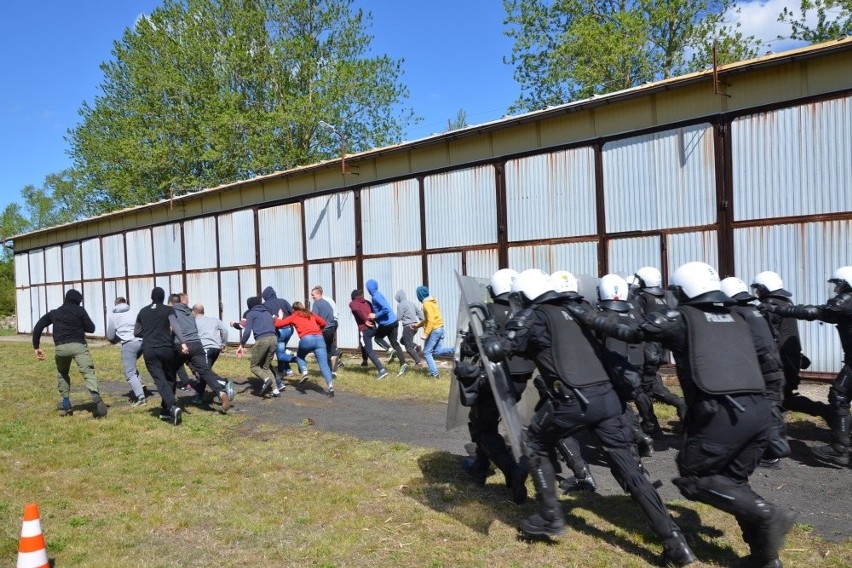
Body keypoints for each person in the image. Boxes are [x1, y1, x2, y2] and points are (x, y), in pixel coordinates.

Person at [573, 262, 796, 567]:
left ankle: (769, 514)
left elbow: (631, 330)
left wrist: (587, 316)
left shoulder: (681, 319)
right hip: (758, 411)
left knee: (693, 478)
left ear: (683, 291)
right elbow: (771, 366)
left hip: (722, 413)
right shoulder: (741, 317)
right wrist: (774, 417)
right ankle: (766, 559)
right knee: (734, 484)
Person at [480, 269, 695, 566]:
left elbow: (495, 351)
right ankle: (675, 543)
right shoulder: (575, 308)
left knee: (535, 442)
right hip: (607, 398)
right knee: (630, 470)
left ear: (523, 295)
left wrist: (490, 327)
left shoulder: (534, 316)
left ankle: (549, 515)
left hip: (573, 399)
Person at [763, 266, 852, 467]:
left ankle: (840, 448)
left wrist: (777, 309)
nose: (836, 288)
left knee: (839, 395)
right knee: (839, 395)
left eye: (839, 283)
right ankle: (840, 445)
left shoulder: (847, 299)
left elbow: (816, 312)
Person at [455, 268, 529, 503]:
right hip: (519, 381)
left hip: (495, 379)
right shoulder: (525, 313)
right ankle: (479, 464)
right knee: (485, 421)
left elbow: (471, 346)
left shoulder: (489, 313)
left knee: (482, 428)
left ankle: (511, 470)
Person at [721, 277, 790, 469]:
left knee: (764, 409)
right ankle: (769, 450)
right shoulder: (756, 310)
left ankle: (771, 453)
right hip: (773, 363)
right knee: (771, 406)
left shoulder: (736, 313)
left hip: (762, 368)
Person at [751, 271, 828, 420]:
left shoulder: (769, 306)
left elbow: (766, 335)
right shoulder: (785, 302)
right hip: (791, 358)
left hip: (782, 359)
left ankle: (828, 412)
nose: (757, 292)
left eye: (758, 288)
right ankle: (827, 412)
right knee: (785, 399)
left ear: (765, 288)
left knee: (774, 398)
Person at [32, 289, 108, 418]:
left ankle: (66, 403)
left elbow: (39, 326)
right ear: (78, 301)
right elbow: (91, 328)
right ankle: (95, 396)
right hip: (79, 346)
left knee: (62, 373)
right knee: (88, 372)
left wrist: (36, 347)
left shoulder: (55, 313)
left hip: (61, 347)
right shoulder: (80, 311)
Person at [632, 266, 687, 437]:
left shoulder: (642, 298)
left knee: (643, 388)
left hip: (647, 348)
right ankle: (655, 422)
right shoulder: (665, 296)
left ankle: (651, 424)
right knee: (651, 383)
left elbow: (637, 322)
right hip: (661, 349)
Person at [168, 293, 231, 412]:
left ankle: (169, 402)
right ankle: (221, 393)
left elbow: (173, 328)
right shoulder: (190, 312)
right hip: (197, 344)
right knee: (205, 371)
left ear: (171, 303)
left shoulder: (171, 311)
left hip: (181, 344)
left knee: (171, 371)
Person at [135, 287, 181, 425]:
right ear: (163, 297)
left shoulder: (143, 311)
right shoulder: (168, 310)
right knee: (170, 377)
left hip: (149, 349)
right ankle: (168, 408)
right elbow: (175, 326)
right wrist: (183, 341)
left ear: (151, 297)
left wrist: (149, 333)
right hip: (166, 348)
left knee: (159, 379)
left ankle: (169, 407)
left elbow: (136, 332)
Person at [275, 301, 335, 398]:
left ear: (294, 309)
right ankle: (330, 386)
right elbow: (323, 323)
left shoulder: (294, 315)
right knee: (324, 365)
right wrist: (319, 329)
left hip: (306, 339)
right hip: (319, 339)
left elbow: (279, 324)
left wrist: (279, 317)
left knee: (300, 356)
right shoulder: (310, 313)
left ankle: (305, 372)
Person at [236, 296, 281, 397]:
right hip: (274, 339)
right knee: (265, 366)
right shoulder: (267, 313)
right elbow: (276, 322)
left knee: (254, 366)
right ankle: (275, 390)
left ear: (249, 306)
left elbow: (247, 331)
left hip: (262, 340)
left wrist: (242, 344)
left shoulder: (251, 314)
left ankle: (266, 380)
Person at [106, 296, 147, 407]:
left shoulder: (113, 316)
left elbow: (110, 336)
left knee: (129, 372)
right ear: (126, 303)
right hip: (142, 342)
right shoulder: (135, 312)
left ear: (115, 304)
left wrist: (116, 339)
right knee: (132, 367)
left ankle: (141, 398)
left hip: (129, 344)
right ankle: (140, 386)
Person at [191, 303, 234, 403]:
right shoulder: (214, 320)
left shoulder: (194, 321)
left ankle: (223, 383)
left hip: (205, 348)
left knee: (203, 372)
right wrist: (223, 343)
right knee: (205, 371)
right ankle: (198, 397)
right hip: (216, 348)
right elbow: (225, 330)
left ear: (193, 312)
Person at [366, 279, 409, 376]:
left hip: (387, 324)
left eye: (367, 287)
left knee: (377, 338)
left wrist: (375, 316)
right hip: (393, 322)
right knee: (395, 343)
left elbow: (386, 308)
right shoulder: (378, 294)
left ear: (369, 288)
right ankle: (403, 364)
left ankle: (390, 350)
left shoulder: (376, 296)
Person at [413, 286, 454, 377]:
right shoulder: (432, 303)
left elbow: (430, 320)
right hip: (440, 329)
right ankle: (455, 349)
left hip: (435, 330)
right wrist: (417, 326)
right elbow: (427, 319)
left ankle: (434, 374)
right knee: (436, 352)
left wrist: (426, 333)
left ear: (420, 295)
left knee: (427, 352)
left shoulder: (426, 304)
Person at [262, 286, 297, 386]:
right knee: (282, 348)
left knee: (279, 352)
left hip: (279, 330)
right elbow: (293, 313)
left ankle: (282, 370)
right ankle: (287, 368)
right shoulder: (283, 301)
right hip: (289, 330)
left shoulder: (265, 305)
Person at [349, 289, 388, 379]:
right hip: (373, 327)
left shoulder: (353, 303)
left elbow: (354, 308)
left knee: (369, 350)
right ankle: (365, 362)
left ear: (353, 297)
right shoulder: (367, 302)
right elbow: (374, 311)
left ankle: (381, 370)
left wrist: (364, 320)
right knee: (365, 344)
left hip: (365, 329)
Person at [310, 285, 341, 374]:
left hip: (323, 330)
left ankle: (326, 368)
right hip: (331, 328)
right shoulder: (327, 303)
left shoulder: (316, 304)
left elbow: (314, 318)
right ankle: (334, 369)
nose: (312, 297)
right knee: (331, 347)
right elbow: (332, 316)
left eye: (313, 295)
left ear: (318, 294)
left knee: (321, 350)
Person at [395, 289, 424, 368]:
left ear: (398, 297)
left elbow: (399, 317)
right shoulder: (411, 303)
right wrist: (423, 321)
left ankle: (418, 362)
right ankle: (416, 346)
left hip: (408, 327)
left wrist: (392, 318)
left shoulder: (400, 305)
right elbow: (419, 313)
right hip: (415, 327)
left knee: (408, 348)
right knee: (402, 340)